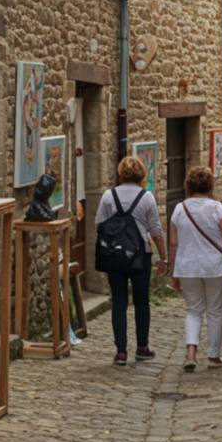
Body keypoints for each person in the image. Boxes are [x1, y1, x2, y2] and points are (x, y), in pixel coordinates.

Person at [95, 155, 167, 365]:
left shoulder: (109, 196)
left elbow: (99, 223)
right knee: (141, 300)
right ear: (141, 174)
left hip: (115, 254)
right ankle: (142, 346)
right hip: (140, 254)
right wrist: (164, 257)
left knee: (118, 300)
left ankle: (121, 351)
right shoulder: (146, 198)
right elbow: (155, 229)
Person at [168, 167, 222, 371]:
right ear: (209, 185)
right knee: (215, 311)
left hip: (187, 266)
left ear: (188, 185)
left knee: (193, 310)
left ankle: (191, 353)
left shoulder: (180, 209)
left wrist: (174, 270)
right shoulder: (216, 208)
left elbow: (173, 243)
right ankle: (213, 355)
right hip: (213, 265)